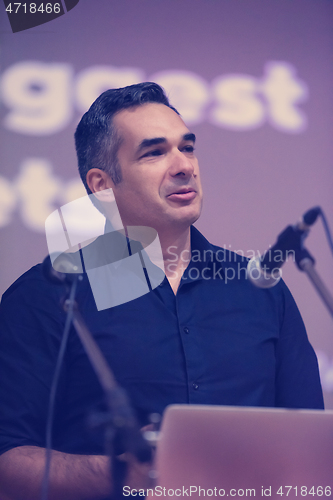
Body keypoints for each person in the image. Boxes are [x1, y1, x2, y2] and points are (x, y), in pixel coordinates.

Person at [0, 82, 324, 500]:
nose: (183, 166)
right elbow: (6, 457)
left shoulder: (259, 288)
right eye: (154, 152)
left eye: (187, 148)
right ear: (101, 186)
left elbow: (314, 448)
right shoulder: (48, 296)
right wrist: (120, 476)